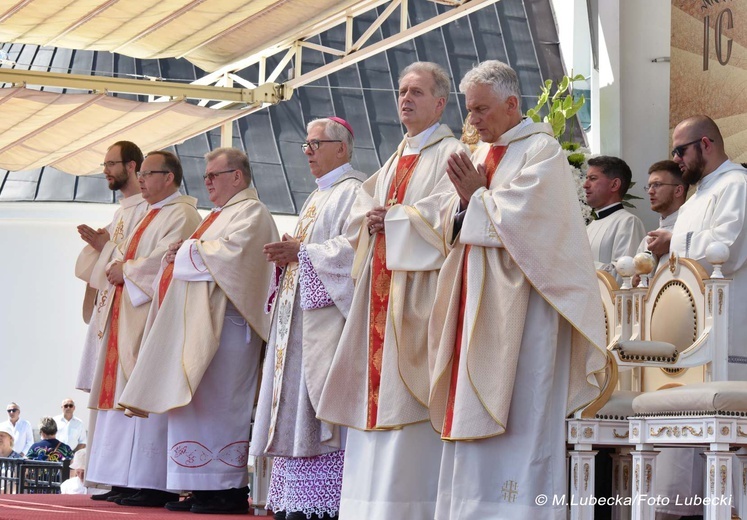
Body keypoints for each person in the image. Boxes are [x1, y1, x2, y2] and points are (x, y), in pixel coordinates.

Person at [428, 60, 607, 519]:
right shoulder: (483, 155)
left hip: (526, 310)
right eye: (469, 111)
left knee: (523, 410)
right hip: (477, 303)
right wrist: (464, 206)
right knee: (472, 406)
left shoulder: (540, 150)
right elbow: (455, 223)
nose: (473, 121)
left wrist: (476, 198)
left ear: (512, 105)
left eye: (482, 110)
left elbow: (535, 227)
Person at [316, 61, 468, 519]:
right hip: (381, 292)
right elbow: (365, 211)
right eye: (402, 91)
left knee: (408, 405)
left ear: (440, 103)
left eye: (417, 92)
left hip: (420, 297)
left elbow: (454, 217)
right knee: (373, 405)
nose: (405, 99)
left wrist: (396, 220)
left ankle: (407, 508)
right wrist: (373, 221)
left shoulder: (452, 154)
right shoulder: (393, 157)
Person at [119, 147, 279, 515]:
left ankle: (228, 489)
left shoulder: (252, 213)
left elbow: (235, 256)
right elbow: (205, 253)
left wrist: (188, 249)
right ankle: (199, 487)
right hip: (201, 326)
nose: (206, 181)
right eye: (205, 175)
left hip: (231, 329)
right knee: (198, 405)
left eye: (213, 175)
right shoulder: (217, 215)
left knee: (222, 407)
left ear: (236, 177)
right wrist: (185, 251)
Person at [251, 117, 365, 520]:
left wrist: (305, 253)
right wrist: (293, 254)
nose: (308, 152)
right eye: (306, 145)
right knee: (295, 406)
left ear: (342, 148)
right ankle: (294, 500)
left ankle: (321, 503)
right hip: (298, 323)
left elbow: (355, 251)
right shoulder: (317, 196)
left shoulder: (354, 192)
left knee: (316, 408)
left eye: (316, 144)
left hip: (325, 324)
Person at [85, 150, 201, 506]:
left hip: (152, 319)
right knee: (122, 396)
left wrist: (128, 271)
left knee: (143, 393)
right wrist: (112, 258)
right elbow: (127, 255)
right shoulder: (148, 213)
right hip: (129, 313)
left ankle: (151, 482)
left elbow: (166, 260)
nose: (142, 181)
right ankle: (125, 477)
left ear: (168, 177)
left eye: (149, 174)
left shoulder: (181, 214)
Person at [668, 117, 747, 377]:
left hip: (729, 320)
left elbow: (727, 250)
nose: (676, 159)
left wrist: (672, 243)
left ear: (705, 144)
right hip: (694, 323)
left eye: (680, 151)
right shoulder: (693, 201)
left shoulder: (736, 184)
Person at [75, 141, 149, 393]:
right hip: (109, 306)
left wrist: (105, 246)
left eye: (111, 163)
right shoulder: (121, 213)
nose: (105, 170)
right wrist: (99, 246)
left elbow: (140, 260)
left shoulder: (148, 209)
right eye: (104, 164)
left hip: (129, 313)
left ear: (131, 166)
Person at [584, 155, 646, 277]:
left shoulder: (628, 222)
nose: (585, 185)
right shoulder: (589, 227)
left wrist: (580, 264)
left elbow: (626, 275)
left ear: (614, 184)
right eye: (586, 178)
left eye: (592, 178)